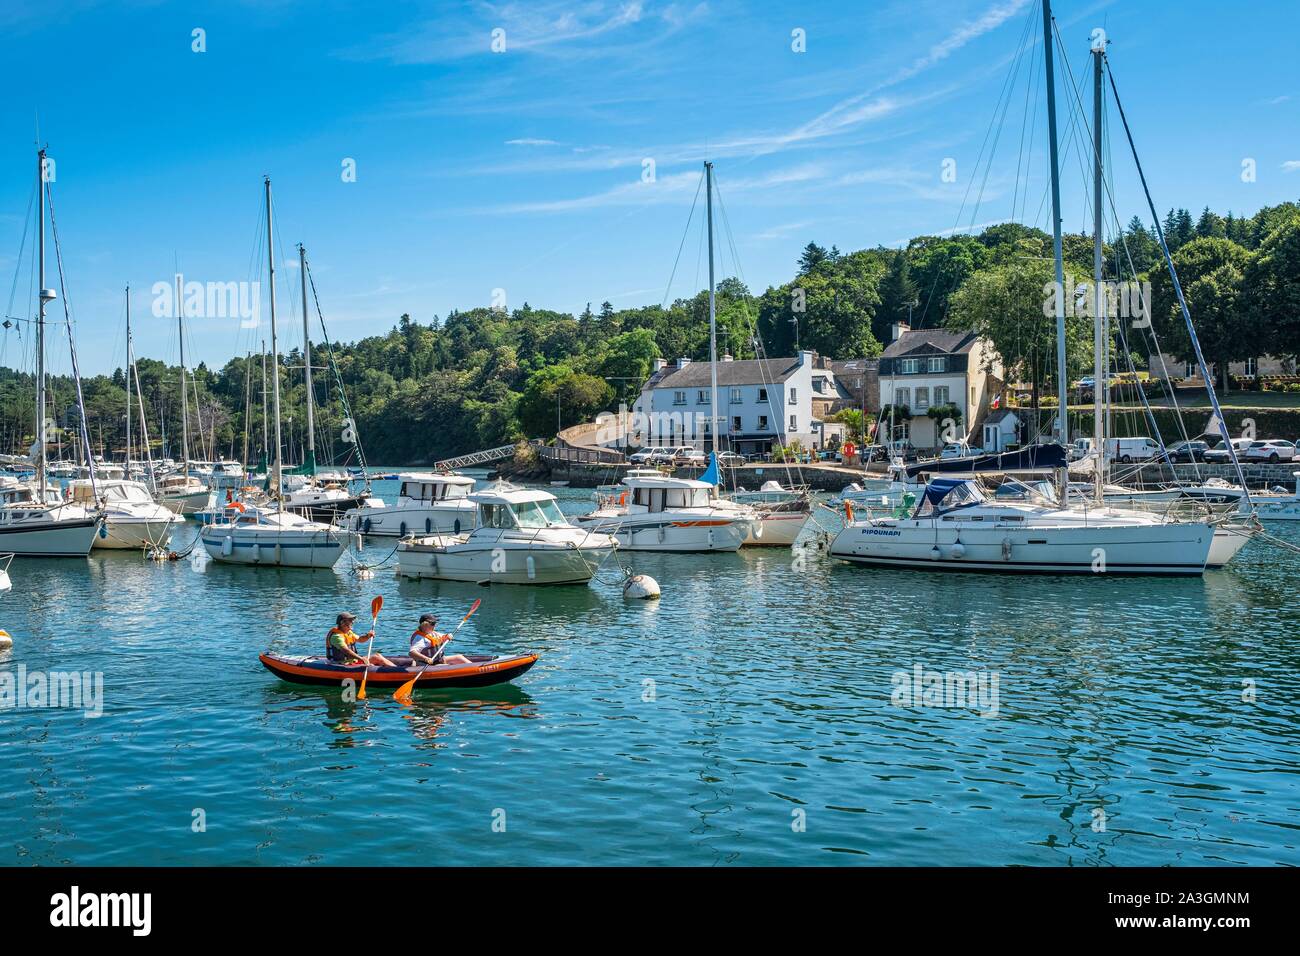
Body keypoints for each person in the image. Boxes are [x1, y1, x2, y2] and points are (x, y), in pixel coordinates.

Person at [326, 612, 395, 667]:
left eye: (352, 620)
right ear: (342, 623)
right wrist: (361, 659)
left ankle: (395, 668)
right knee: (376, 658)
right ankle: (396, 671)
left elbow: (360, 639)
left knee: (377, 655)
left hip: (350, 661)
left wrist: (368, 636)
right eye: (350, 620)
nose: (352, 622)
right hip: (340, 664)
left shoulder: (348, 633)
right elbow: (346, 651)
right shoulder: (337, 637)